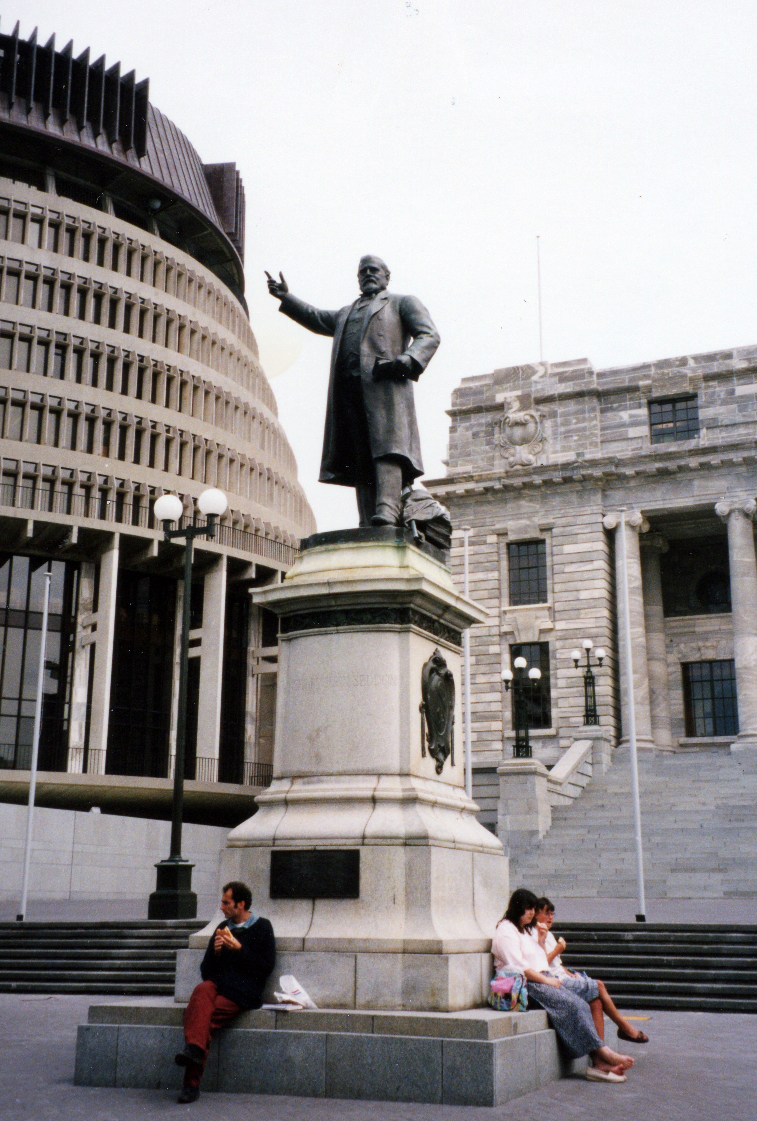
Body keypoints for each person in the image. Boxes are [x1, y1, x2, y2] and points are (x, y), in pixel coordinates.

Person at [266, 256, 440, 528]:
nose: (368, 275)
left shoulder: (401, 302)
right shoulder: (346, 312)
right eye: (363, 272)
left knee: (388, 449)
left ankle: (388, 509)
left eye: (374, 270)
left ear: (387, 276)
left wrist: (407, 360)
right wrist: (286, 298)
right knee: (361, 455)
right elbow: (316, 317)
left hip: (385, 389)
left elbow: (429, 334)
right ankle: (367, 517)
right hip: (350, 393)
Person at [491, 888, 634, 1083]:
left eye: (533, 908)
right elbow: (520, 967)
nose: (532, 913)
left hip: (541, 978)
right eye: (528, 908)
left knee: (581, 1003)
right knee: (572, 1005)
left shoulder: (524, 928)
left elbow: (539, 959)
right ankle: (604, 1053)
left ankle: (599, 1062)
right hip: (526, 984)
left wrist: (541, 942)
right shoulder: (506, 930)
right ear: (517, 908)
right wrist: (548, 980)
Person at [174, 881, 275, 1104]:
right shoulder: (222, 928)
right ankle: (194, 1051)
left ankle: (191, 1084)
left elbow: (265, 968)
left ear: (241, 904)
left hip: (242, 992)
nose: (221, 907)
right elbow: (205, 972)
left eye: (225, 902)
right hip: (218, 986)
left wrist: (239, 949)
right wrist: (216, 953)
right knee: (201, 990)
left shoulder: (262, 927)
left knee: (201, 1019)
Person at [533, 896, 649, 1044]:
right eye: (546, 913)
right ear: (535, 914)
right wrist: (558, 950)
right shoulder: (534, 934)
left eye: (552, 914)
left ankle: (601, 1053)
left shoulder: (548, 934)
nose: (550, 917)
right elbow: (542, 965)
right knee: (598, 985)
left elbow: (558, 965)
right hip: (553, 981)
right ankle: (624, 1027)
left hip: (563, 976)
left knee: (596, 1002)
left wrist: (571, 974)